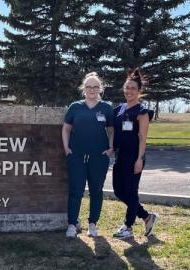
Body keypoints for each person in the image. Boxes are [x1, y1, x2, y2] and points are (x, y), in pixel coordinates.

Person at [62, 72, 114, 238]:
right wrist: (66, 148)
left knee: (96, 191)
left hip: (99, 156)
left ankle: (92, 224)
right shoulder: (75, 107)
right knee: (76, 190)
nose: (92, 89)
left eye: (95, 87)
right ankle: (72, 224)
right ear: (84, 89)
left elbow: (112, 130)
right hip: (76, 155)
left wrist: (111, 148)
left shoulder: (106, 108)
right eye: (89, 87)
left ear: (100, 89)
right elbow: (66, 129)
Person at [112, 68, 159, 239]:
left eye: (133, 88)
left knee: (131, 192)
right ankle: (147, 217)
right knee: (118, 191)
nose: (129, 91)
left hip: (134, 157)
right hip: (120, 156)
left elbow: (142, 137)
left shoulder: (142, 112)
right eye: (127, 88)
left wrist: (139, 159)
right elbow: (112, 132)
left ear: (139, 91)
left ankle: (128, 227)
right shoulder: (118, 109)